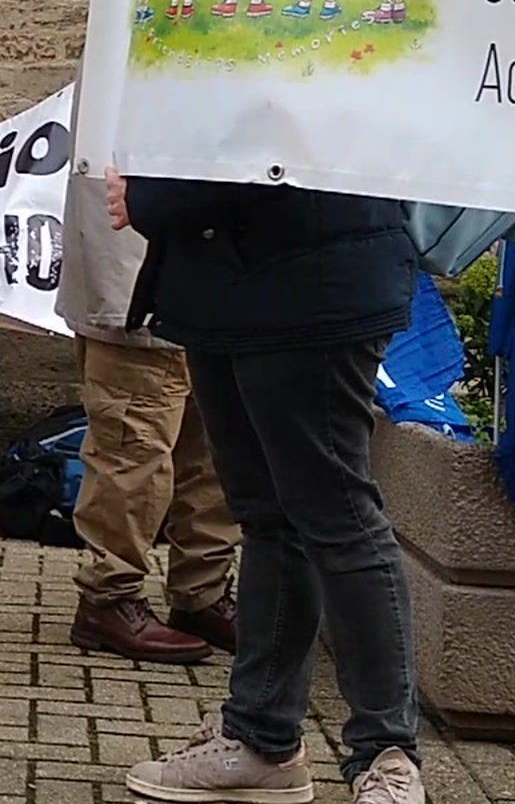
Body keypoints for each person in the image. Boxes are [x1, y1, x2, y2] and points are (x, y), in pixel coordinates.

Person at [107, 168, 424, 804]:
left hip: (312, 288)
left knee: (339, 520)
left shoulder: (317, 62)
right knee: (272, 520)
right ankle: (261, 741)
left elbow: (268, 146)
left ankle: (388, 757)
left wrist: (149, 195)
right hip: (229, 290)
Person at [56, 99, 238, 664]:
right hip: (135, 257)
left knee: (214, 444)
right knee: (134, 443)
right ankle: (110, 596)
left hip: (218, 261)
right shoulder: (131, 26)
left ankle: (202, 593)